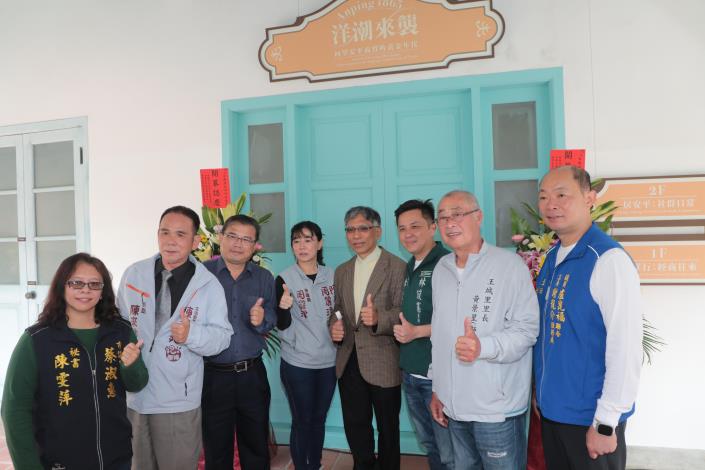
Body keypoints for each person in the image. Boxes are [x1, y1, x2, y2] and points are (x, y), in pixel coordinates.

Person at [534, 166, 643, 470]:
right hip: (555, 412)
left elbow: (626, 346)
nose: (551, 204)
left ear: (590, 198)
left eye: (562, 195)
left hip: (590, 419)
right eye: (543, 197)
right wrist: (539, 392)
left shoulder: (608, 260)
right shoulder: (553, 257)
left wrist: (606, 422)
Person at [1, 252, 148, 470]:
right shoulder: (37, 339)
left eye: (94, 284)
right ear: (62, 287)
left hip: (116, 457)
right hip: (60, 462)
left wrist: (131, 365)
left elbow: (137, 383)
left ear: (103, 291)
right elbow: (15, 410)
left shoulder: (120, 331)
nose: (85, 290)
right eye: (76, 283)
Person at [429, 190, 539, 470]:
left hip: (496, 410)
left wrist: (483, 347)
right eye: (443, 217)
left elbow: (527, 330)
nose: (450, 223)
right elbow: (439, 336)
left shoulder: (509, 266)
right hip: (454, 408)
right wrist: (438, 388)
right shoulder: (441, 269)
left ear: (478, 217)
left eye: (457, 214)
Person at [117, 205, 233, 470]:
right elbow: (119, 322)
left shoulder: (208, 285)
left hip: (177, 400)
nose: (171, 241)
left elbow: (222, 337)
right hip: (135, 396)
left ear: (195, 241)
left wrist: (192, 334)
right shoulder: (134, 274)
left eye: (181, 234)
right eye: (165, 232)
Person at [329, 206, 406, 470]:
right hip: (349, 359)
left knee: (388, 427)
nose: (356, 235)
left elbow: (403, 312)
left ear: (378, 231)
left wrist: (379, 318)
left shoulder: (397, 266)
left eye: (363, 228)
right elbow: (337, 309)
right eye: (350, 230)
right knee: (356, 424)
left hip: (384, 360)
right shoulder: (342, 270)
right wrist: (334, 325)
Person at [202, 214, 277, 470]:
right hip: (213, 376)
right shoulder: (202, 274)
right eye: (232, 236)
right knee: (216, 448)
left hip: (251, 375)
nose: (238, 243)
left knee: (256, 446)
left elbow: (272, 316)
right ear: (221, 238)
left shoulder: (263, 278)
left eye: (246, 239)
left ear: (255, 246)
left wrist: (263, 319)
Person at [392, 199, 454, 470]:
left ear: (433, 227)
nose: (408, 234)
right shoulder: (410, 265)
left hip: (437, 376)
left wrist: (417, 331)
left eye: (415, 226)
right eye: (402, 228)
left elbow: (457, 320)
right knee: (429, 443)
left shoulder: (446, 263)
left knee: (448, 449)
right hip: (411, 372)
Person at [275, 221, 337, 470]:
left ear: (319, 243)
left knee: (319, 419)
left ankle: (315, 464)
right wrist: (283, 308)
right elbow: (280, 324)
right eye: (296, 241)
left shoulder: (332, 275)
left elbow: (340, 313)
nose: (302, 246)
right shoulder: (284, 279)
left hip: (329, 361)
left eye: (308, 240)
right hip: (298, 363)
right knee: (302, 420)